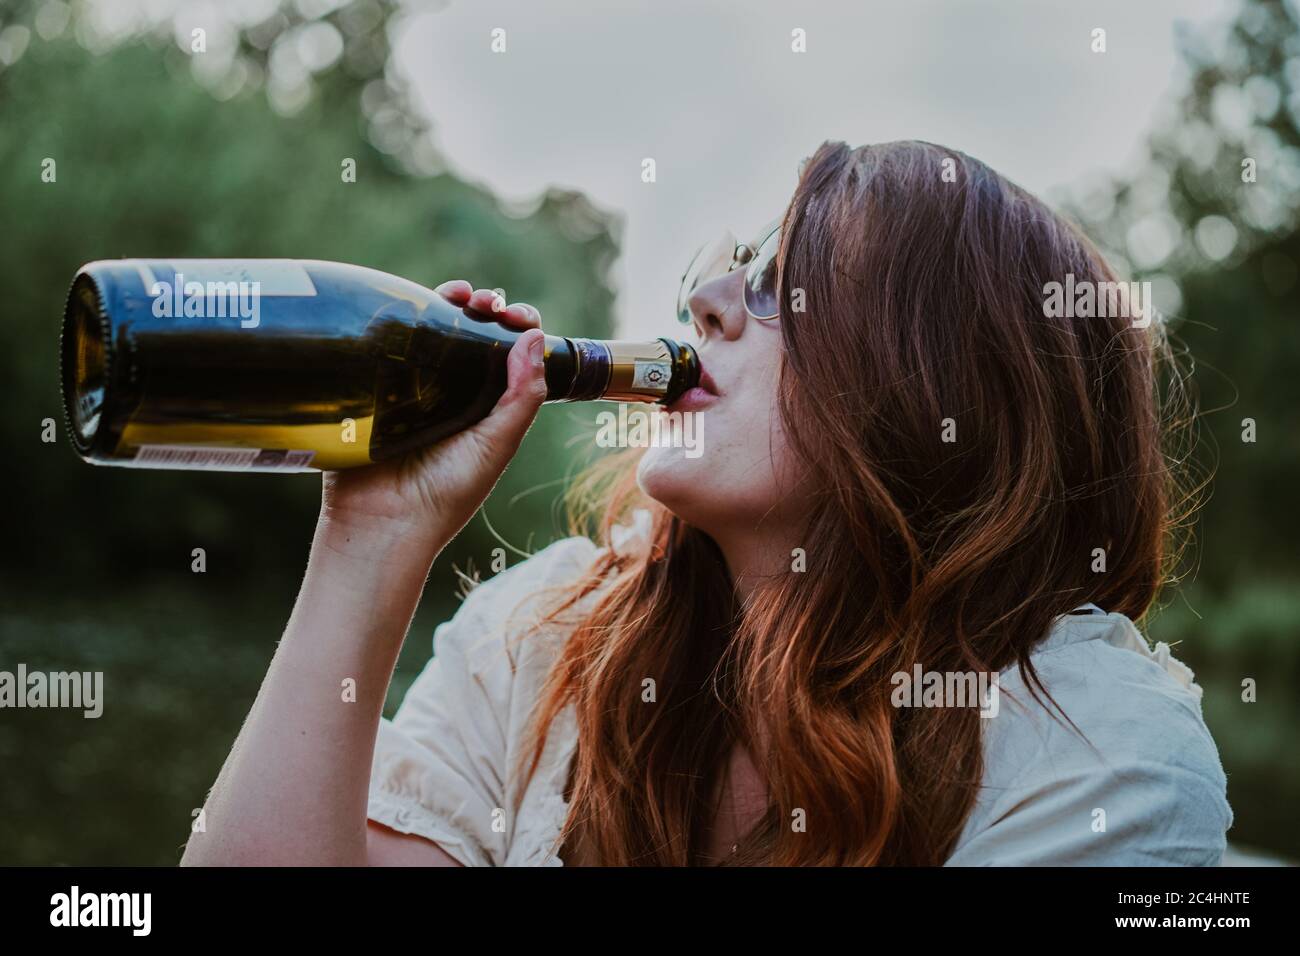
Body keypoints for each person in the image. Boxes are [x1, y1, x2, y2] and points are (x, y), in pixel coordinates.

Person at [181, 140, 1231, 867]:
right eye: (727, 270)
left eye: (789, 283)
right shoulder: (545, 637)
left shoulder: (1100, 758)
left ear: (942, 388)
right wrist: (370, 538)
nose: (706, 303)